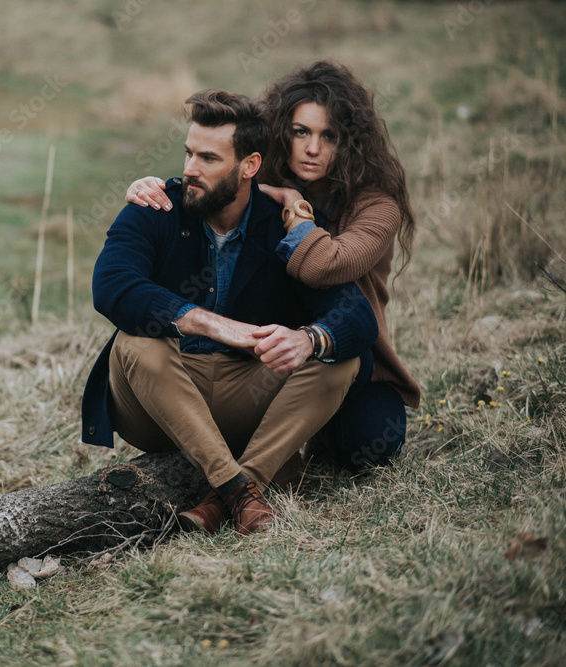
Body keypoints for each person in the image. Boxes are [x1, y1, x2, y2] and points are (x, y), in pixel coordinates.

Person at [80, 89, 378, 535]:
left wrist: (307, 339)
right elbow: (110, 286)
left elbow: (354, 315)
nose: (189, 170)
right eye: (188, 153)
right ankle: (240, 490)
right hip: (157, 403)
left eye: (208, 158)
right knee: (135, 339)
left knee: (338, 357)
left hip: (247, 396)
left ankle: (235, 490)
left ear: (249, 166)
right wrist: (213, 324)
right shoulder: (157, 207)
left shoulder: (279, 225)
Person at [125, 61, 420, 472]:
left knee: (367, 448)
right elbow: (211, 173)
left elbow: (322, 266)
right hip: (262, 350)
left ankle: (303, 435)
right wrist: (153, 188)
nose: (312, 148)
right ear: (282, 134)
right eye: (301, 132)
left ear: (349, 143)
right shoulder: (261, 179)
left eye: (328, 136)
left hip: (344, 345)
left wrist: (294, 207)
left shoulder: (376, 207)